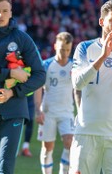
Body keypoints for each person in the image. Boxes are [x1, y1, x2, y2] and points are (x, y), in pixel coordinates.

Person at [0, 0, 46, 174]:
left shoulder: (22, 39)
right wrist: (9, 72)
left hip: (14, 111)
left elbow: (40, 75)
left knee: (5, 168)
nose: (0, 15)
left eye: (4, 11)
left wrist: (13, 92)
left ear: (11, 13)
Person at [70, 0, 112, 173]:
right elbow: (78, 83)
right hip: (86, 132)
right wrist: (103, 56)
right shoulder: (85, 48)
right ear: (102, 21)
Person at [34, 32, 74, 174]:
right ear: (55, 46)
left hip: (67, 112)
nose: (65, 53)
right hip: (48, 112)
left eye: (68, 50)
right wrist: (38, 110)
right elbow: (38, 88)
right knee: (47, 148)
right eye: (62, 49)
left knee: (69, 143)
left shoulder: (74, 66)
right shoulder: (46, 65)